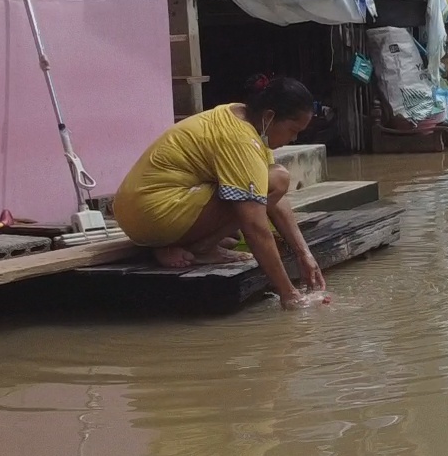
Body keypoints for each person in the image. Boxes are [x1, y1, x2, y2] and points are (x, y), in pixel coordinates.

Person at [113, 75, 328, 309]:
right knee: (278, 179)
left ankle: (172, 246)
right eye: (293, 130)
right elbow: (255, 226)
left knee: (235, 231)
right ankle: (200, 249)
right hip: (154, 212)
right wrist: (289, 293)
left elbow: (274, 198)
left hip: (138, 213)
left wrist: (304, 253)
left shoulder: (239, 117)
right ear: (269, 117)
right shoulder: (240, 139)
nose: (293, 139)